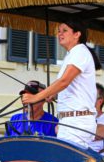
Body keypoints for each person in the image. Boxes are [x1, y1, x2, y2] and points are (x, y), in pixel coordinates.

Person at [21, 19, 97, 148]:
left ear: (77, 34)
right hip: (69, 120)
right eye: (59, 31)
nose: (60, 34)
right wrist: (54, 95)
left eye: (65, 31)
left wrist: (35, 98)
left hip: (77, 121)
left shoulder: (79, 51)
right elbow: (70, 86)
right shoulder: (73, 54)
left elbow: (64, 81)